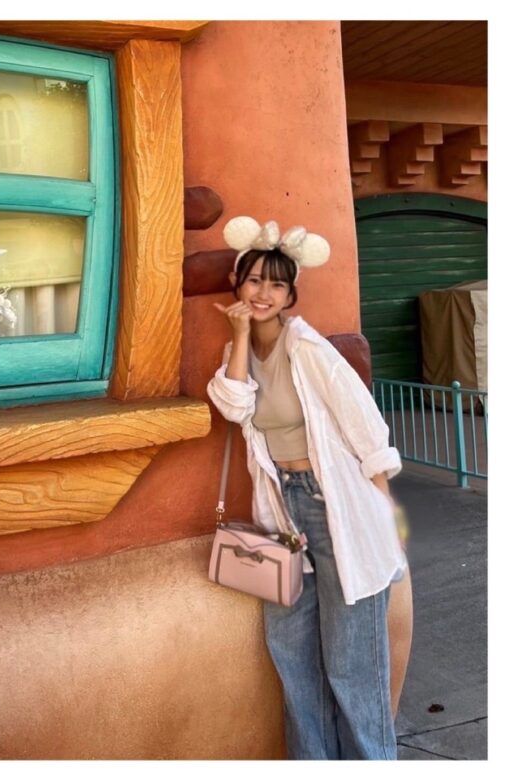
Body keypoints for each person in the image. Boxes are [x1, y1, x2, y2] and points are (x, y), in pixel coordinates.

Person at [206, 215, 407, 760]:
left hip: (333, 503)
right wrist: (239, 335)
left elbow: (366, 428)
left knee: (351, 661)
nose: (263, 293)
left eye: (276, 284)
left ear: (291, 294)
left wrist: (384, 517)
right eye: (254, 280)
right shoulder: (239, 354)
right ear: (238, 284)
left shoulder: (308, 348)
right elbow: (233, 405)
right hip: (281, 512)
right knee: (291, 652)